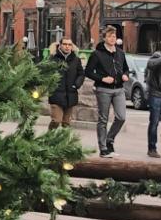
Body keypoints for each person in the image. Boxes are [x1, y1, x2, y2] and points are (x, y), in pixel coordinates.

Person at [85, 24, 130, 156]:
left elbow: (126, 68)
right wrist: (102, 79)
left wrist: (125, 75)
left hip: (119, 89)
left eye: (114, 36)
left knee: (121, 117)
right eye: (110, 36)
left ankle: (109, 140)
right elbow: (88, 71)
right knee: (103, 119)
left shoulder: (120, 53)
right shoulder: (97, 54)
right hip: (103, 90)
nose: (112, 38)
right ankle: (103, 149)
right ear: (104, 38)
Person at [46, 34, 84, 130]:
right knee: (56, 120)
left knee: (66, 123)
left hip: (70, 95)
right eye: (65, 44)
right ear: (60, 45)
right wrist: (51, 85)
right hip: (56, 94)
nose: (67, 46)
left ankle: (64, 143)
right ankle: (49, 137)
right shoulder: (53, 59)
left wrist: (77, 84)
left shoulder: (76, 60)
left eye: (69, 44)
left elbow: (81, 74)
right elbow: (46, 73)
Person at [146, 44, 161, 156]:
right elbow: (150, 64)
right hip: (156, 94)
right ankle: (152, 149)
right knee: (154, 122)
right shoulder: (158, 55)